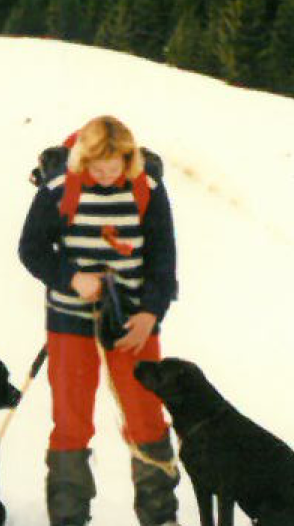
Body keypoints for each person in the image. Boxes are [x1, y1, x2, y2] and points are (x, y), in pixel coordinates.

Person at [17, 115, 179, 526]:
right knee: (71, 417)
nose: (106, 178)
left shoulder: (148, 192)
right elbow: (32, 249)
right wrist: (71, 277)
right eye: (96, 169)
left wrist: (149, 314)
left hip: (133, 324)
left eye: (114, 169)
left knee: (144, 413)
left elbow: (163, 261)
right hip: (71, 321)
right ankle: (68, 516)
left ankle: (159, 514)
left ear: (130, 160)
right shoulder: (59, 190)